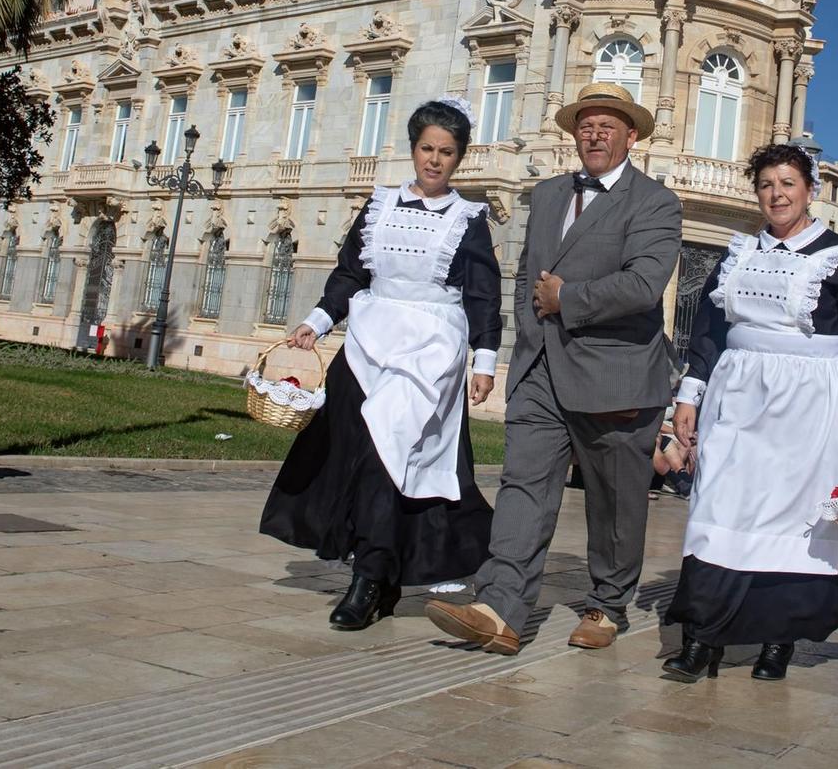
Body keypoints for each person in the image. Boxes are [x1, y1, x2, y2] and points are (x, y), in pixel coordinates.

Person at [427, 82, 682, 656]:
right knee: (522, 485)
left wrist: (570, 299)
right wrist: (531, 329)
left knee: (613, 499)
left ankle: (608, 602)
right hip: (541, 366)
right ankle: (500, 608)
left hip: (616, 373)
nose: (593, 133)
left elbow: (644, 284)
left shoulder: (655, 202)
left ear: (630, 136)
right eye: (585, 124)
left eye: (607, 125)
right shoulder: (545, 196)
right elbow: (525, 277)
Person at [260, 100, 502, 629]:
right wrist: (317, 321)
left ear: (459, 159)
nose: (434, 161)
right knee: (362, 455)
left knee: (384, 451)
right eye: (427, 149)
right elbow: (350, 274)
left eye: (446, 153)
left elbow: (484, 296)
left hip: (431, 349)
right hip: (367, 344)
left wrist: (484, 362)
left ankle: (366, 579)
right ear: (413, 148)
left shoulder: (469, 220)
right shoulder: (378, 207)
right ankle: (382, 570)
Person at [662, 144, 838, 683]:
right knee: (719, 506)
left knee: (794, 519)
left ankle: (777, 641)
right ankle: (701, 637)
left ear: (809, 190)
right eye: (766, 184)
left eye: (788, 183)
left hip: (809, 405)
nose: (777, 194)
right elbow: (710, 332)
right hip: (738, 394)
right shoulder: (738, 253)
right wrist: (689, 396)